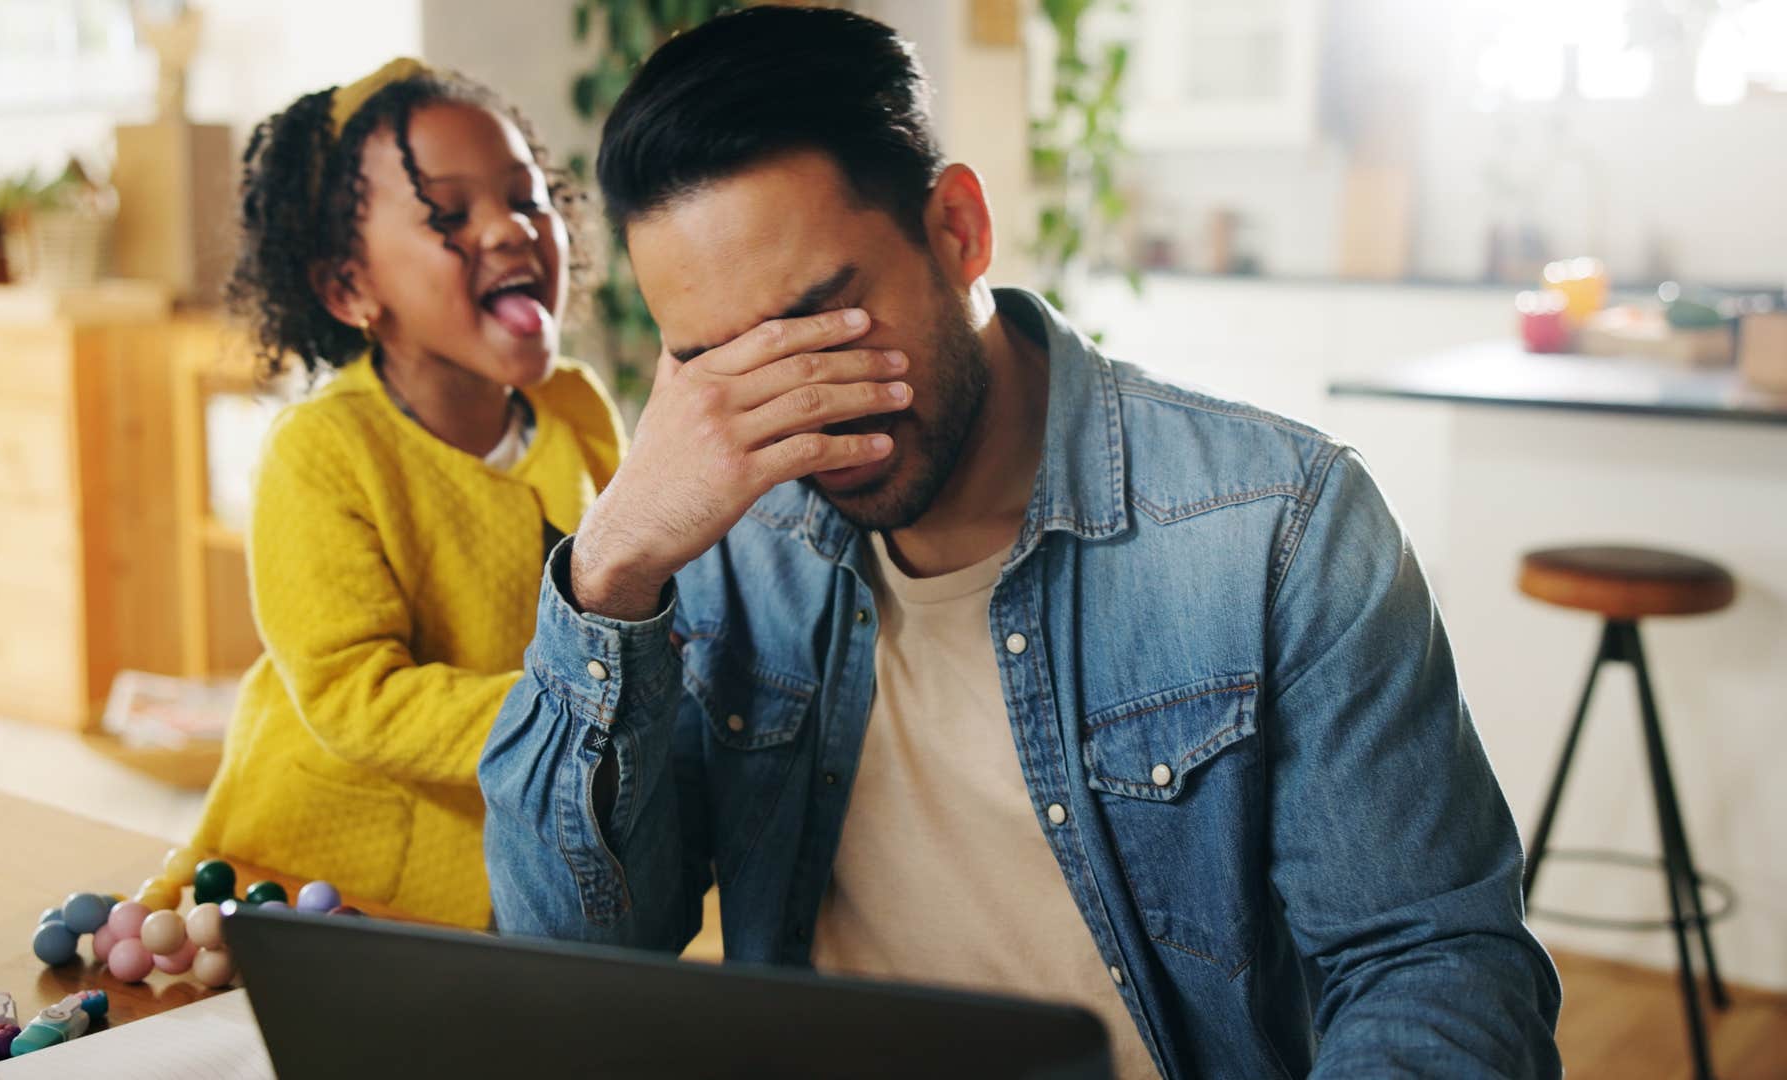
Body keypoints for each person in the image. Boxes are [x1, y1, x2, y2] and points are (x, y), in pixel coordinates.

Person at [478, 8, 1560, 1076]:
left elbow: (1433, 965)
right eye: (723, 362)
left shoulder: (1280, 528)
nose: (796, 406)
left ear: (958, 231)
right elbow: (574, 958)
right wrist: (610, 565)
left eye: (824, 321)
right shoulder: (718, 547)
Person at [137, 58, 621, 929]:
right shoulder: (321, 451)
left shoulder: (576, 407)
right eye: (449, 212)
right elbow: (354, 695)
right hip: (330, 874)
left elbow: (631, 586)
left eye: (527, 196)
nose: (512, 230)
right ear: (349, 287)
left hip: (518, 853)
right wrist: (585, 717)